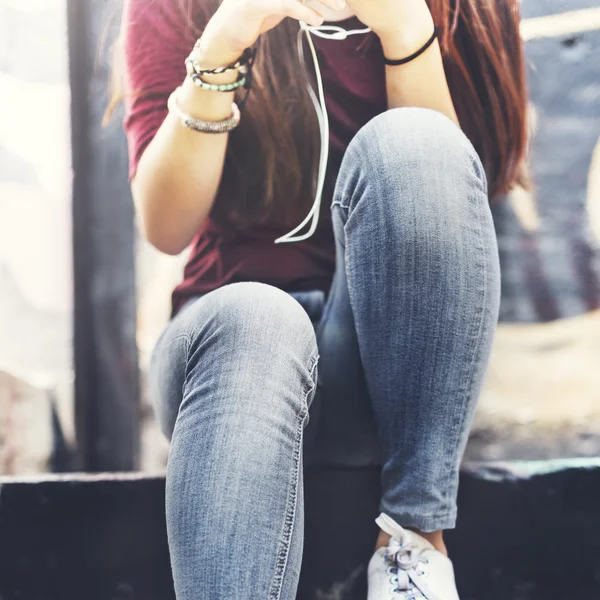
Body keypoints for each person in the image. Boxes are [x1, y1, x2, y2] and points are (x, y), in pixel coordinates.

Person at [117, 0, 528, 594]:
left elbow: (457, 198)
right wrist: (224, 39)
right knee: (255, 317)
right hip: (229, 368)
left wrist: (406, 27)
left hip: (393, 370)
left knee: (414, 141)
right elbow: (165, 226)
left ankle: (412, 550)